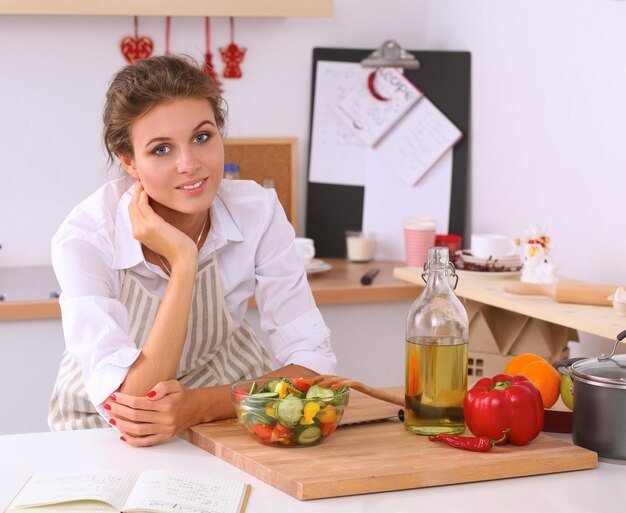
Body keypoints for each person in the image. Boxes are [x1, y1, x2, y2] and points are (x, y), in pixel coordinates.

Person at [48, 55, 337, 446]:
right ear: (129, 162)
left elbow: (314, 363)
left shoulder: (258, 211)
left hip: (227, 406)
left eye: (202, 137)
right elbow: (133, 402)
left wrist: (201, 405)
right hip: (105, 425)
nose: (190, 164)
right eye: (161, 150)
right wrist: (184, 262)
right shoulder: (86, 237)